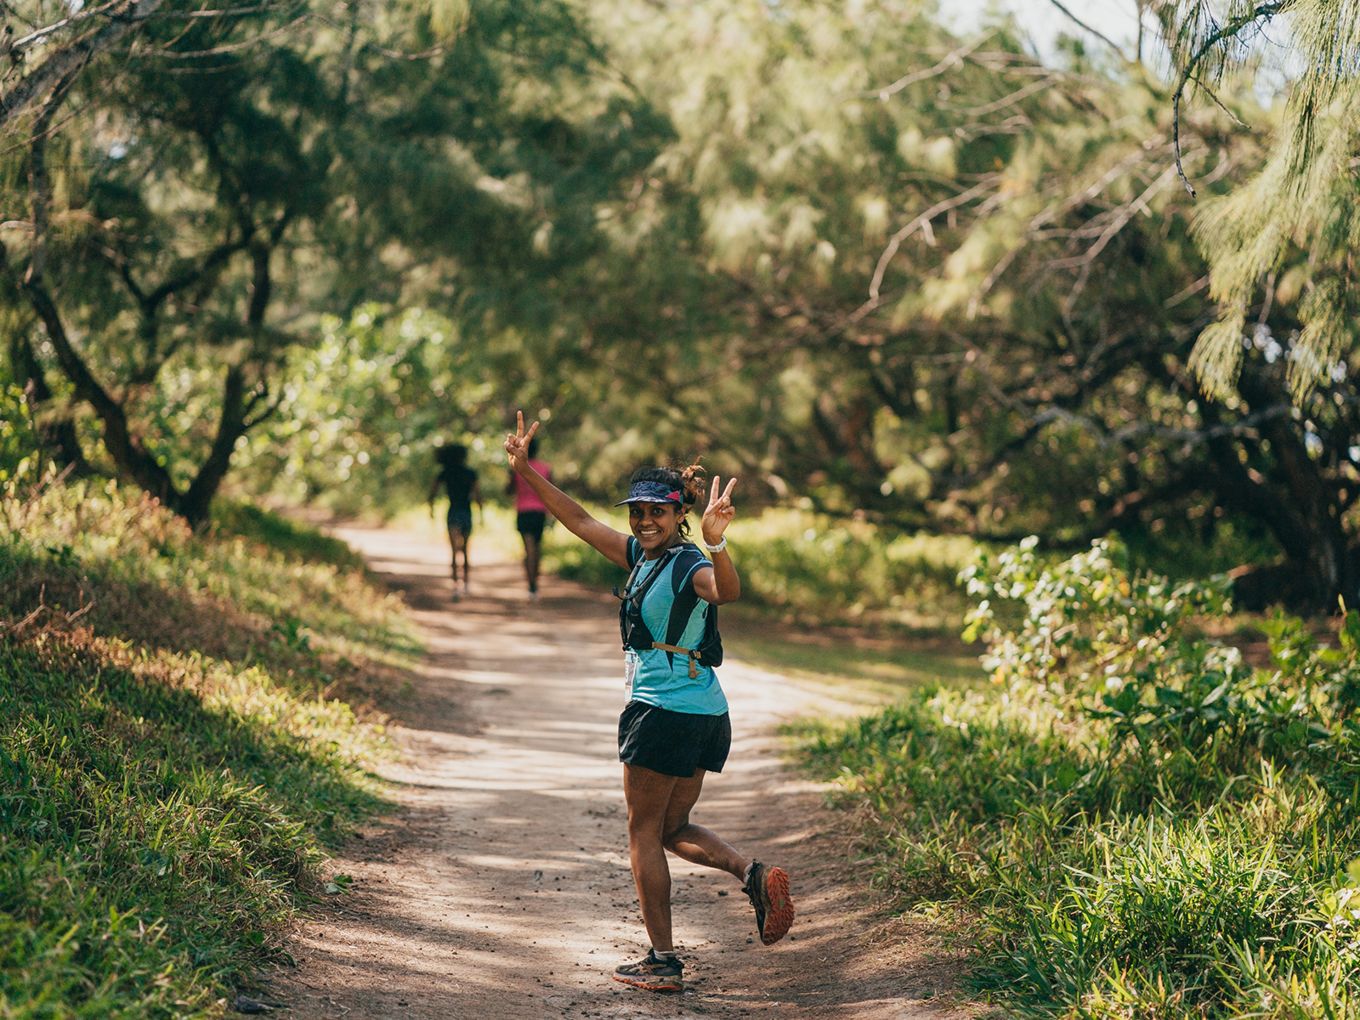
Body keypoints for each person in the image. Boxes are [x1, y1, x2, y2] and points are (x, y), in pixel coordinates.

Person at [503, 411, 794, 994]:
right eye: (637, 512)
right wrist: (526, 472)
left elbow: (726, 591)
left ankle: (662, 961)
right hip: (704, 712)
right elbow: (579, 519)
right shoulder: (642, 556)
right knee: (672, 827)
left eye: (656, 511)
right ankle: (752, 874)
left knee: (642, 832)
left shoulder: (690, 563)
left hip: (662, 712)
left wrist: (717, 542)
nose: (644, 521)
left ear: (678, 513)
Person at [428, 443, 481, 600]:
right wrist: (481, 513)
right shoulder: (470, 473)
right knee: (465, 550)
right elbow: (478, 495)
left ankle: (455, 586)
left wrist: (431, 509)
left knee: (453, 550)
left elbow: (432, 493)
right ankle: (465, 583)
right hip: (466, 512)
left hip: (453, 513)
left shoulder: (445, 473)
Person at [506, 433, 552, 600]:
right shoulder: (545, 468)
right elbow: (552, 492)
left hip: (523, 512)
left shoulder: (517, 467)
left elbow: (509, 490)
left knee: (528, 549)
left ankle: (531, 584)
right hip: (539, 512)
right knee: (537, 548)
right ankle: (535, 583)